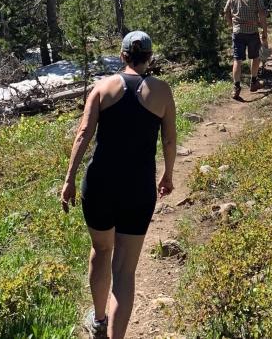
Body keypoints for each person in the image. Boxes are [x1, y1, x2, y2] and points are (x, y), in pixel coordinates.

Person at [60, 31, 176, 339]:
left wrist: (69, 179)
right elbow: (169, 139)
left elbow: (84, 133)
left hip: (99, 183)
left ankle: (99, 320)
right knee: (124, 270)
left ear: (122, 56)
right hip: (138, 188)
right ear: (149, 57)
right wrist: (168, 174)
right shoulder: (162, 92)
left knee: (101, 250)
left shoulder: (103, 87)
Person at [223, 0, 269, 100]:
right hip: (252, 32)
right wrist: (264, 31)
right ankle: (254, 82)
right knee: (255, 57)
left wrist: (232, 25)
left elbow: (226, 12)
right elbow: (262, 14)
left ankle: (236, 87)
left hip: (238, 32)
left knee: (237, 59)